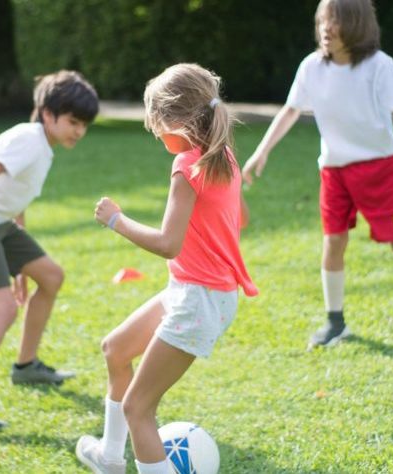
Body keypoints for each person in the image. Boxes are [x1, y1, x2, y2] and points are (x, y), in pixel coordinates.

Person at [75, 63, 258, 474]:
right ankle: (109, 457)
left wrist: (116, 221)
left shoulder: (188, 166)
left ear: (174, 120)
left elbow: (167, 243)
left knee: (139, 408)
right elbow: (240, 216)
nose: (155, 133)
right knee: (116, 349)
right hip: (196, 291)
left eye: (155, 123)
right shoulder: (221, 154)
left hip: (199, 299)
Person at [242, 0, 393, 349]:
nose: (326, 27)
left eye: (335, 20)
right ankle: (335, 322)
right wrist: (261, 151)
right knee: (334, 241)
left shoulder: (380, 66)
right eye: (322, 19)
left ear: (356, 25)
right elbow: (290, 111)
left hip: (379, 169)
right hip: (333, 171)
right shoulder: (311, 67)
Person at [0, 70, 98, 434]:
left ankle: (26, 366)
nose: (79, 131)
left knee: (51, 276)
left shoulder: (43, 147)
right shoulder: (29, 140)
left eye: (84, 125)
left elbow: (16, 200)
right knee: (4, 310)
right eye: (73, 122)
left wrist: (21, 268)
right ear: (47, 113)